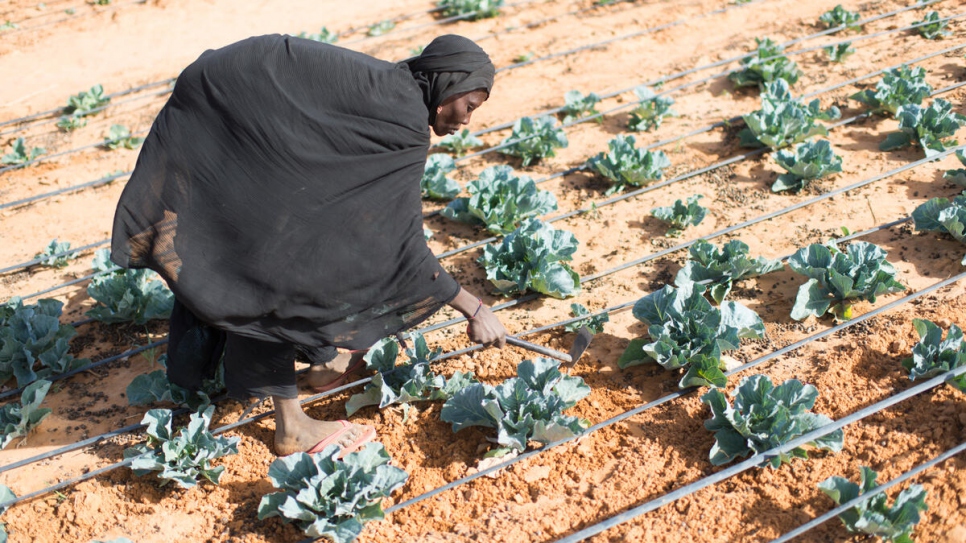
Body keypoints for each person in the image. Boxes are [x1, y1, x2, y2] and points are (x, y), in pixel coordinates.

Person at [110, 34, 507, 456]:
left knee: (316, 239)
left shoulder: (393, 89)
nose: (467, 121)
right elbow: (403, 244)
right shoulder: (406, 121)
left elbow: (363, 217)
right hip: (229, 110)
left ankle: (323, 360)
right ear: (446, 88)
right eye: (469, 107)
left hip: (235, 98)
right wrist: (472, 307)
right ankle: (291, 426)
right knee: (270, 269)